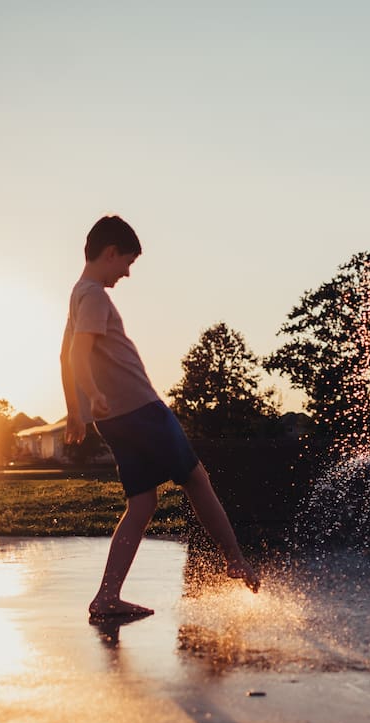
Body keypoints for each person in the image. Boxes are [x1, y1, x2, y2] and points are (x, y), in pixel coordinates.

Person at [61, 215, 260, 620]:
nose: (128, 272)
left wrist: (75, 412)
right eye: (127, 262)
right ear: (111, 252)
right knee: (196, 479)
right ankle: (235, 559)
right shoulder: (95, 296)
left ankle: (107, 597)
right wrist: (93, 394)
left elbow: (65, 358)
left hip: (114, 419)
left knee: (142, 502)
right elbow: (78, 355)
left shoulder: (78, 295)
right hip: (139, 409)